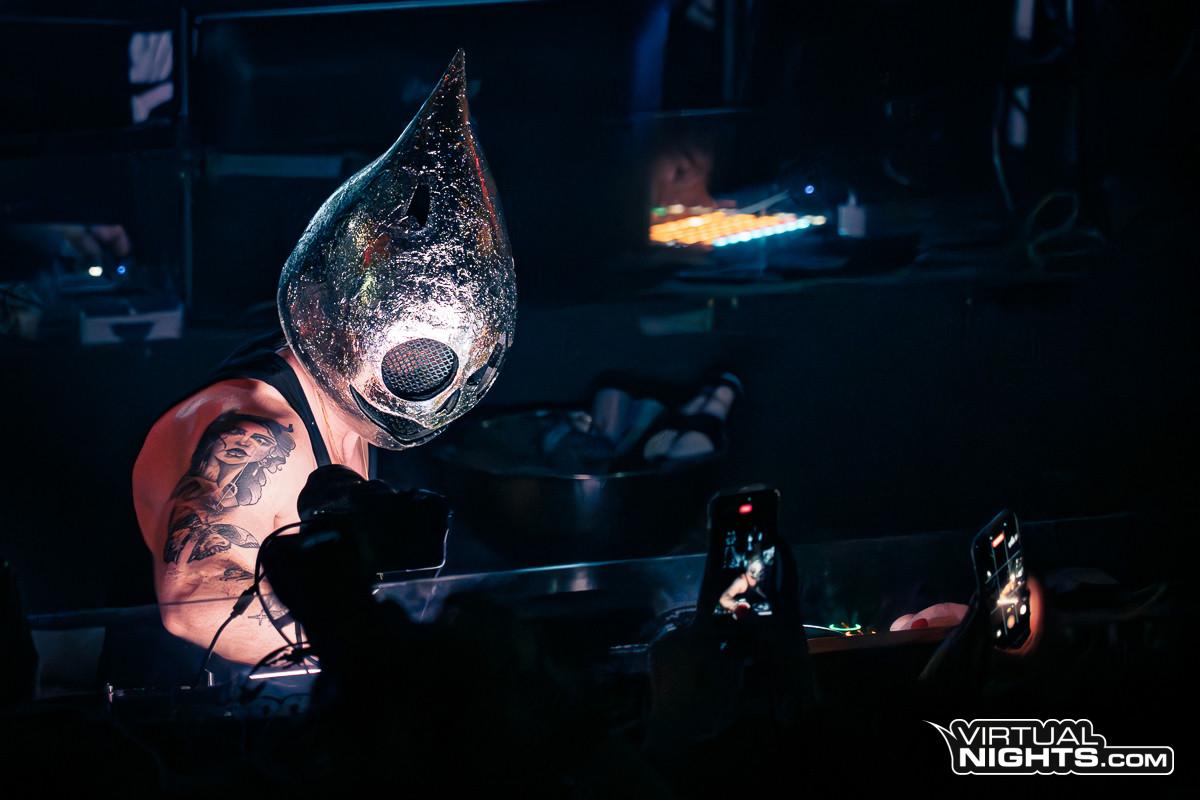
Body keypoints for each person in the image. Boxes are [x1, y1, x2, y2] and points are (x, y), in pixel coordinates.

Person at [132, 51, 517, 666]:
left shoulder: (343, 397)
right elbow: (190, 607)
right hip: (182, 692)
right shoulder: (261, 432)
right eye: (414, 358)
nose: (423, 377)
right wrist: (366, 636)